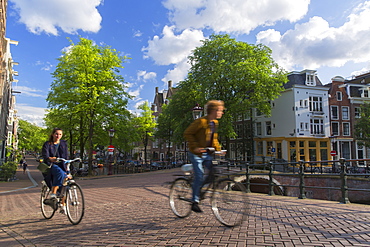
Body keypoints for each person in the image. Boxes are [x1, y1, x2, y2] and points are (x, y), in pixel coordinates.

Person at [184, 100, 225, 213]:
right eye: (220, 110)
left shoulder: (214, 123)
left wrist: (219, 150)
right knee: (200, 175)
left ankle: (199, 189)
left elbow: (214, 139)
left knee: (213, 173)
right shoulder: (200, 122)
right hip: (196, 153)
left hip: (207, 154)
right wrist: (196, 147)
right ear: (214, 111)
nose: (222, 113)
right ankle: (194, 201)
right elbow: (188, 133)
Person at [42, 127, 70, 214]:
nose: (58, 136)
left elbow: (66, 156)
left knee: (65, 183)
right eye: (56, 134)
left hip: (62, 164)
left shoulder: (63, 144)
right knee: (59, 172)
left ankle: (63, 205)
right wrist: (51, 159)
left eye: (60, 134)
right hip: (51, 165)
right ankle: (53, 193)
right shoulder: (47, 144)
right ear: (53, 134)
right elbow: (45, 156)